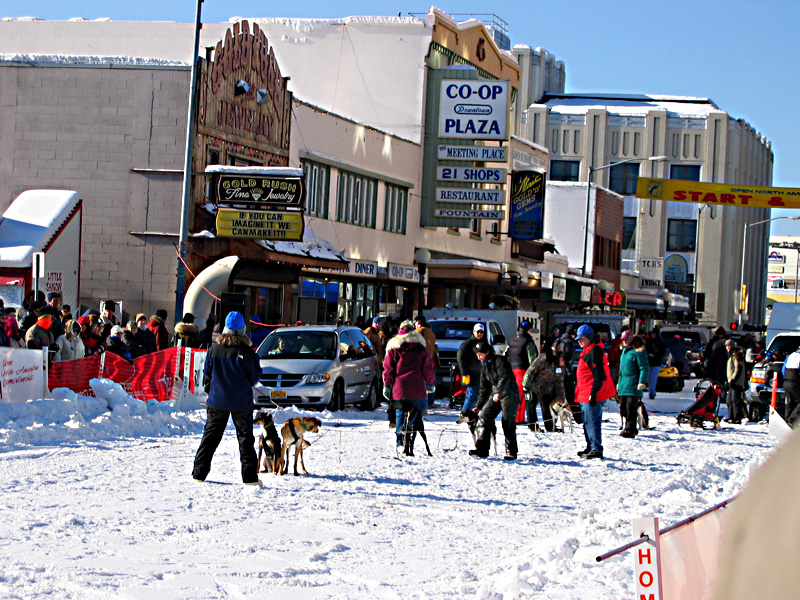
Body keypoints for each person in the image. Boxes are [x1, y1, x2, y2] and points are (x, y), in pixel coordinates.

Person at [192, 311, 263, 485]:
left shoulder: (214, 349)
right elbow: (254, 378)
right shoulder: (248, 353)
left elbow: (207, 373)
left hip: (218, 400)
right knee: (245, 439)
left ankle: (199, 473)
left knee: (210, 437)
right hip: (241, 402)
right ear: (242, 330)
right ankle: (250, 478)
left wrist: (211, 391)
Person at [382, 319, 435, 455]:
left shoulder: (394, 347)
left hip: (399, 388)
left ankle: (400, 438)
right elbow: (428, 369)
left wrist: (387, 385)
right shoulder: (420, 348)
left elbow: (388, 369)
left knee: (400, 412)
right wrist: (430, 384)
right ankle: (411, 433)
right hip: (417, 387)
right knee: (418, 413)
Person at [470, 340, 520, 460]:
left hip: (509, 393)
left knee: (507, 422)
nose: (479, 357)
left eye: (480, 354)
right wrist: (479, 406)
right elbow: (484, 389)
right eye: (477, 355)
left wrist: (498, 392)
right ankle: (482, 449)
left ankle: (511, 450)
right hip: (495, 394)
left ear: (487, 352)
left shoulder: (500, 361)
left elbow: (504, 378)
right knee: (483, 418)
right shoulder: (485, 367)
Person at [574, 325, 617, 460]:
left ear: (589, 338)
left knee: (592, 420)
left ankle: (596, 448)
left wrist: (594, 392)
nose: (579, 342)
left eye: (582, 339)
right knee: (587, 420)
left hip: (591, 392)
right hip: (585, 391)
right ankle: (590, 445)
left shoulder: (594, 351)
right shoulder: (589, 350)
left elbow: (599, 373)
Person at [522, 344, 566, 432]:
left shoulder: (560, 367)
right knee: (531, 405)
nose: (563, 362)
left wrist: (562, 398)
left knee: (547, 406)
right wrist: (526, 385)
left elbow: (559, 383)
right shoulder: (544, 359)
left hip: (546, 388)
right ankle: (533, 427)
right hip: (533, 385)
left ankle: (550, 426)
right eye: (563, 360)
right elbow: (531, 370)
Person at [616, 332, 649, 438]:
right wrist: (619, 383)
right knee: (623, 408)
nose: (624, 342)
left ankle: (630, 429)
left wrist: (642, 381)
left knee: (631, 408)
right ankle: (627, 426)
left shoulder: (638, 351)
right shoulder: (625, 351)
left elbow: (644, 367)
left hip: (634, 385)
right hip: (624, 384)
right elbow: (622, 370)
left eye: (626, 340)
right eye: (623, 340)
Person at [507, 321, 539, 424]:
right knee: (521, 395)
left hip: (512, 370)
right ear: (529, 329)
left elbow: (508, 355)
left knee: (513, 395)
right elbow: (532, 359)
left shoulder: (512, 340)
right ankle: (518, 419)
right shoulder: (528, 341)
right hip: (522, 370)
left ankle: (511, 416)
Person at [457, 323, 487, 412]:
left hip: (481, 374)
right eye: (478, 332)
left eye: (482, 332)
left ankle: (472, 415)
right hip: (470, 374)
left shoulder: (484, 343)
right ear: (473, 332)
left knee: (480, 396)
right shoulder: (467, 344)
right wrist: (465, 373)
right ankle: (465, 413)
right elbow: (461, 359)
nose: (480, 334)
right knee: (472, 395)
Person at [414, 314, 438, 406]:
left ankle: (423, 403)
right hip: (431, 360)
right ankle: (430, 401)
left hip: (421, 360)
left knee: (422, 383)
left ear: (418, 323)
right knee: (430, 381)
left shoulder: (419, 331)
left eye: (415, 322)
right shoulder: (431, 332)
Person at [644, 329, 666, 400]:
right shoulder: (647, 342)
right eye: (652, 334)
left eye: (654, 334)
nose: (653, 335)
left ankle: (652, 393)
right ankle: (651, 391)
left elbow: (663, 352)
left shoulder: (660, 343)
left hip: (656, 363)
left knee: (653, 379)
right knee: (649, 379)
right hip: (649, 363)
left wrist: (656, 354)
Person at [726, 348, 746, 424]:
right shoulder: (733, 356)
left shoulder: (737, 357)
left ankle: (737, 417)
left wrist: (733, 379)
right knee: (730, 400)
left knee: (735, 400)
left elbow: (738, 369)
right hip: (732, 381)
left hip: (736, 382)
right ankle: (731, 416)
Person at [781, 346, 800, 426]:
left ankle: (787, 420)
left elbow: (783, 369)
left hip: (786, 381)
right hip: (795, 382)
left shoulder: (791, 356)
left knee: (790, 402)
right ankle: (792, 420)